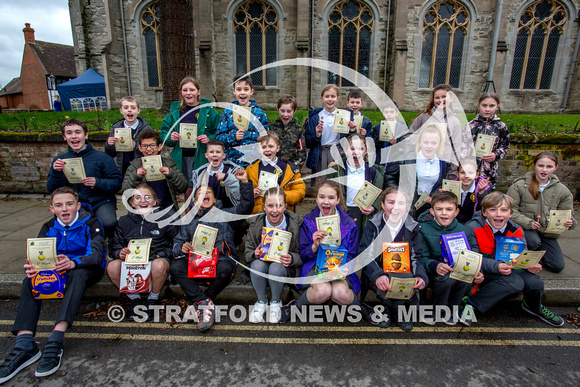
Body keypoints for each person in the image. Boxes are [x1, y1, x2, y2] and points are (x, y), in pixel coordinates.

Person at [0, 187, 106, 382]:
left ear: (78, 205)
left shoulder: (92, 222)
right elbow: (37, 255)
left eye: (69, 204)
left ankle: (56, 338)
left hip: (87, 268)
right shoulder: (48, 226)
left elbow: (97, 255)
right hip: (57, 271)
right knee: (30, 279)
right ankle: (24, 344)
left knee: (78, 275)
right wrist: (31, 268)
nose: (64, 209)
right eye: (59, 205)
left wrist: (74, 262)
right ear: (52, 209)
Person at [171, 169, 254, 331]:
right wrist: (182, 248)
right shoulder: (188, 222)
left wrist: (244, 182)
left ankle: (201, 302)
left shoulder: (225, 214)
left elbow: (245, 207)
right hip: (197, 265)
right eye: (200, 194)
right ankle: (205, 303)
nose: (205, 194)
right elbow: (176, 246)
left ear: (215, 200)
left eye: (208, 192)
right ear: (195, 203)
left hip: (219, 263)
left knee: (226, 267)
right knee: (176, 267)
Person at [464, 192, 564, 326]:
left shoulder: (517, 229)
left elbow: (523, 254)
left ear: (510, 214)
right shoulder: (472, 228)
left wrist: (532, 264)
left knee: (535, 282)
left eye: (504, 210)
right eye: (493, 210)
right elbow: (472, 257)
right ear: (484, 212)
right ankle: (471, 304)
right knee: (515, 283)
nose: (499, 214)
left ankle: (533, 307)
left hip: (510, 268)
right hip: (484, 271)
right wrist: (496, 266)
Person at [280, 180, 360, 322]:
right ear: (316, 198)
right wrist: (314, 246)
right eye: (322, 197)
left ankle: (361, 308)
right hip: (315, 266)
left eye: (331, 198)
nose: (326, 202)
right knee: (323, 291)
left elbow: (353, 254)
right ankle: (295, 306)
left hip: (340, 268)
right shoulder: (308, 221)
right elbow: (303, 254)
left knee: (340, 293)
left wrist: (346, 265)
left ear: (338, 199)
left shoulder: (349, 224)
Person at [359, 187, 428, 331]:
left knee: (407, 277)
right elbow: (365, 254)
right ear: (383, 205)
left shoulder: (412, 227)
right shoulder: (373, 225)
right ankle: (387, 307)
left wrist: (420, 276)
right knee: (386, 279)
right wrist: (377, 275)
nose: (396, 207)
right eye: (391, 202)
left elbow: (417, 257)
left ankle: (398, 308)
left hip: (404, 272)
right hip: (378, 271)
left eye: (401, 203)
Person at [107, 184, 179, 321]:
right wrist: (119, 253)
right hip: (132, 265)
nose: (143, 201)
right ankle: (135, 299)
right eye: (138, 198)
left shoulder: (165, 219)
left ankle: (153, 299)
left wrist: (162, 254)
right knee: (112, 266)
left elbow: (177, 243)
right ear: (132, 203)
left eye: (148, 197)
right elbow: (115, 246)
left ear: (155, 201)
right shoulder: (123, 221)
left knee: (158, 265)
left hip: (156, 262)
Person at [47, 118, 122, 239]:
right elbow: (52, 189)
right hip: (74, 203)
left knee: (109, 222)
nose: (74, 136)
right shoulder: (60, 161)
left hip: (101, 201)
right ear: (64, 137)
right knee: (68, 226)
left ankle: (111, 244)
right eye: (69, 133)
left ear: (85, 135)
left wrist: (97, 183)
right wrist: (57, 173)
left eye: (78, 132)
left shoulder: (103, 158)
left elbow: (117, 183)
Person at [506, 151, 576, 273]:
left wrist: (569, 223)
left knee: (557, 266)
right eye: (541, 166)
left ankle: (538, 255)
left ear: (555, 168)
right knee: (533, 241)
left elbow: (568, 214)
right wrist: (528, 223)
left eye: (549, 166)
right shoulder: (519, 186)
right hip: (525, 230)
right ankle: (528, 256)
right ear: (534, 165)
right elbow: (510, 210)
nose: (544, 170)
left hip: (547, 233)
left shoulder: (562, 191)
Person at [419, 191, 482, 324]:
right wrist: (435, 265)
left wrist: (477, 271)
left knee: (466, 277)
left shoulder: (464, 230)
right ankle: (437, 309)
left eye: (449, 209)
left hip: (457, 269)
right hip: (433, 270)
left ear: (456, 212)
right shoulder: (423, 229)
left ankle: (454, 308)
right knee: (446, 278)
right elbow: (421, 256)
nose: (444, 213)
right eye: (439, 209)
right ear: (432, 211)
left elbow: (470, 257)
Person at [245, 188, 303, 323]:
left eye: (279, 206)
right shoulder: (255, 223)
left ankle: (276, 302)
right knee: (257, 264)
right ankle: (261, 302)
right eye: (270, 206)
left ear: (286, 207)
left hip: (283, 267)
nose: (274, 210)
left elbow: (303, 254)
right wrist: (255, 253)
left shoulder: (296, 223)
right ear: (264, 207)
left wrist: (292, 258)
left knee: (275, 268)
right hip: (261, 264)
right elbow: (247, 254)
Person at [160, 76, 221, 197]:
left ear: (198, 92)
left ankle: (203, 214)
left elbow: (220, 132)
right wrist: (170, 138)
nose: (188, 93)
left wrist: (209, 139)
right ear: (181, 92)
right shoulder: (175, 113)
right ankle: (188, 215)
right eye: (185, 90)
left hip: (202, 156)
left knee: (203, 189)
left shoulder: (209, 112)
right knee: (186, 189)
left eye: (192, 90)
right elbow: (163, 133)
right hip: (182, 157)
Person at [406, 84, 471, 180]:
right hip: (422, 163)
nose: (440, 100)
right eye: (437, 97)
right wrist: (422, 140)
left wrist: (452, 171)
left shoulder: (455, 122)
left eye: (444, 97)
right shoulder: (424, 117)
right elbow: (409, 136)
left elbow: (456, 148)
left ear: (451, 98)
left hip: (443, 165)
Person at [328, 133, 384, 238]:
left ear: (366, 151)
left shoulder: (373, 172)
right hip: (342, 212)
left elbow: (380, 192)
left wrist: (373, 207)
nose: (356, 153)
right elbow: (327, 190)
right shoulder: (336, 171)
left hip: (363, 214)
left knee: (360, 241)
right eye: (352, 149)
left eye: (361, 149)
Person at [122, 129, 188, 211]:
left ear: (159, 146)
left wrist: (171, 174)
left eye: (152, 145)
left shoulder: (168, 163)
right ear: (140, 148)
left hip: (167, 206)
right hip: (142, 208)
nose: (149, 149)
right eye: (144, 146)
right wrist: (135, 175)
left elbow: (183, 187)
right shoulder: (135, 166)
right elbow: (125, 190)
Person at [215, 73, 270, 168]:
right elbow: (219, 138)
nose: (242, 92)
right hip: (232, 161)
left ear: (251, 91)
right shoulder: (228, 112)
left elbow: (266, 139)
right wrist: (233, 137)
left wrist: (253, 136)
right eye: (239, 89)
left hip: (253, 162)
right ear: (234, 91)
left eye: (246, 89)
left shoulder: (259, 114)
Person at [246, 132, 306, 214]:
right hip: (259, 216)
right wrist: (251, 194)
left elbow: (300, 192)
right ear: (258, 150)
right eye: (263, 147)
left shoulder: (289, 169)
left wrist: (282, 195)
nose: (267, 150)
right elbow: (243, 194)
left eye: (271, 146)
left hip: (283, 216)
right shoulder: (250, 169)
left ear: (277, 148)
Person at [304, 84, 356, 175]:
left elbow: (349, 140)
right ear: (322, 98)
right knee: (321, 180)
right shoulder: (315, 117)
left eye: (333, 96)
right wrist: (316, 135)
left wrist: (352, 130)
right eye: (327, 96)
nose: (330, 99)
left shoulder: (344, 116)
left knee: (336, 179)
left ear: (338, 98)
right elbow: (308, 142)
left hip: (338, 151)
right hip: (321, 153)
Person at [468, 93, 510, 189]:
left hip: (490, 170)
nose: (487, 109)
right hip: (471, 169)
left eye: (491, 106)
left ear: (497, 107)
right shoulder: (471, 126)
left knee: (487, 198)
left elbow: (505, 145)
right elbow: (462, 146)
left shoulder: (501, 127)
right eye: (484, 105)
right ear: (479, 106)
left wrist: (496, 154)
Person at [105, 96, 153, 176]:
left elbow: (154, 151)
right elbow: (110, 154)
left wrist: (136, 146)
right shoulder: (116, 128)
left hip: (140, 168)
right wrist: (109, 145)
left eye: (133, 108)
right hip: (123, 167)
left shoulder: (146, 129)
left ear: (138, 111)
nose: (129, 110)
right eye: (126, 108)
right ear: (121, 111)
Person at [190, 139, 243, 209]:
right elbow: (195, 196)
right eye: (211, 152)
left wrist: (227, 178)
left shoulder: (233, 171)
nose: (214, 154)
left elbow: (239, 195)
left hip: (229, 211)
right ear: (206, 155)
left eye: (218, 152)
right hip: (207, 213)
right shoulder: (199, 174)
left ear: (224, 155)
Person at [269, 94, 307, 169]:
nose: (285, 115)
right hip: (273, 167)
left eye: (289, 111)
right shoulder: (271, 127)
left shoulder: (298, 130)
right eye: (282, 111)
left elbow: (302, 152)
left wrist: (294, 168)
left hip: (290, 169)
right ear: (277, 109)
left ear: (294, 110)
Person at [456, 160, 491, 224]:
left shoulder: (485, 188)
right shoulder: (450, 187)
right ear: (457, 174)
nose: (466, 176)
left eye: (470, 173)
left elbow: (485, 210)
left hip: (474, 223)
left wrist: (481, 193)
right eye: (463, 172)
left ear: (476, 175)